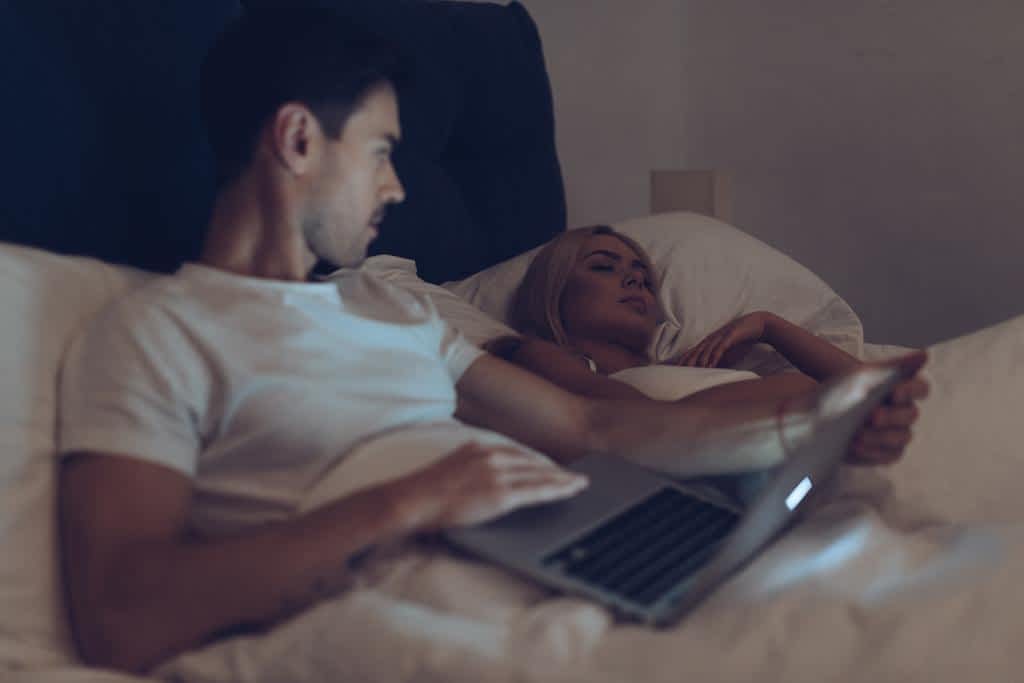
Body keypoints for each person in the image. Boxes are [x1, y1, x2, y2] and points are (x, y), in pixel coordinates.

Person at [56, 8, 928, 675]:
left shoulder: (391, 309)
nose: (397, 186)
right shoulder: (157, 331)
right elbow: (122, 615)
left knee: (893, 585)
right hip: (407, 594)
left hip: (553, 549)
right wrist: (408, 501)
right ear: (296, 139)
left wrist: (812, 424)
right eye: (383, 151)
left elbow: (594, 429)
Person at [493, 224, 882, 406]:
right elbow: (629, 423)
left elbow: (870, 389)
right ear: (554, 291)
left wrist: (768, 326)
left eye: (643, 276)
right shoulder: (541, 357)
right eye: (602, 267)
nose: (634, 279)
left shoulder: (689, 368)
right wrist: (795, 392)